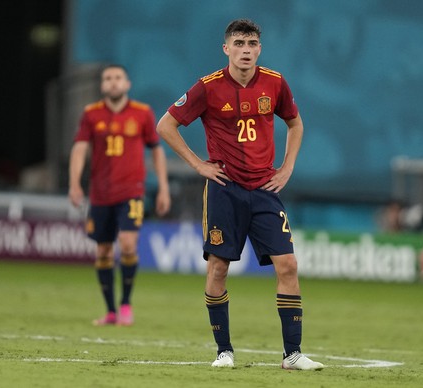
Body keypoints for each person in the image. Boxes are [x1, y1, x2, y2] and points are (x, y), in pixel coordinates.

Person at [156, 19, 323, 370]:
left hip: (264, 189)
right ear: (226, 49)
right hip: (224, 189)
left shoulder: (275, 83)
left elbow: (295, 122)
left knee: (288, 265)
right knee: (218, 268)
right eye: (239, 43)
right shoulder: (208, 87)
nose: (246, 50)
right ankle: (224, 351)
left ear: (259, 48)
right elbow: (165, 125)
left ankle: (292, 355)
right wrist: (199, 165)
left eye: (251, 43)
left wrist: (288, 167)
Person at [69, 64, 171, 326]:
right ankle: (110, 310)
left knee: (127, 244)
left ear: (127, 84)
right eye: (108, 79)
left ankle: (126, 303)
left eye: (118, 78)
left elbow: (156, 151)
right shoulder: (91, 114)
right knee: (103, 251)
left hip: (131, 191)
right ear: (103, 86)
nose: (113, 83)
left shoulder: (142, 113)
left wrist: (163, 186)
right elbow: (80, 150)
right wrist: (74, 184)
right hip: (101, 194)